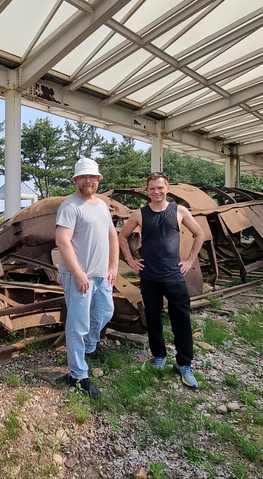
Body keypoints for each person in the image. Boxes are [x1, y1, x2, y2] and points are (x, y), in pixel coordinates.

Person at [118, 172, 205, 389]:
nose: (156, 191)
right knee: (153, 318)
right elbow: (122, 236)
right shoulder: (139, 214)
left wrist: (189, 260)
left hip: (174, 275)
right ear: (147, 191)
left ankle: (184, 364)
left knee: (181, 320)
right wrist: (130, 260)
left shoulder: (179, 211)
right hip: (149, 275)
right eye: (152, 188)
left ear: (167, 188)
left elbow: (199, 234)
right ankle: (159, 355)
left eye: (160, 187)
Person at [55, 157, 118, 399]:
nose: (88, 181)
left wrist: (113, 265)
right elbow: (62, 241)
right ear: (76, 180)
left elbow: (112, 233)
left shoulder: (101, 205)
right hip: (78, 276)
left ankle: (89, 348)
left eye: (92, 177)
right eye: (83, 177)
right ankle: (77, 374)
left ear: (99, 180)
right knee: (77, 325)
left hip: (101, 275)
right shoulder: (70, 207)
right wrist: (79, 273)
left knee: (104, 312)